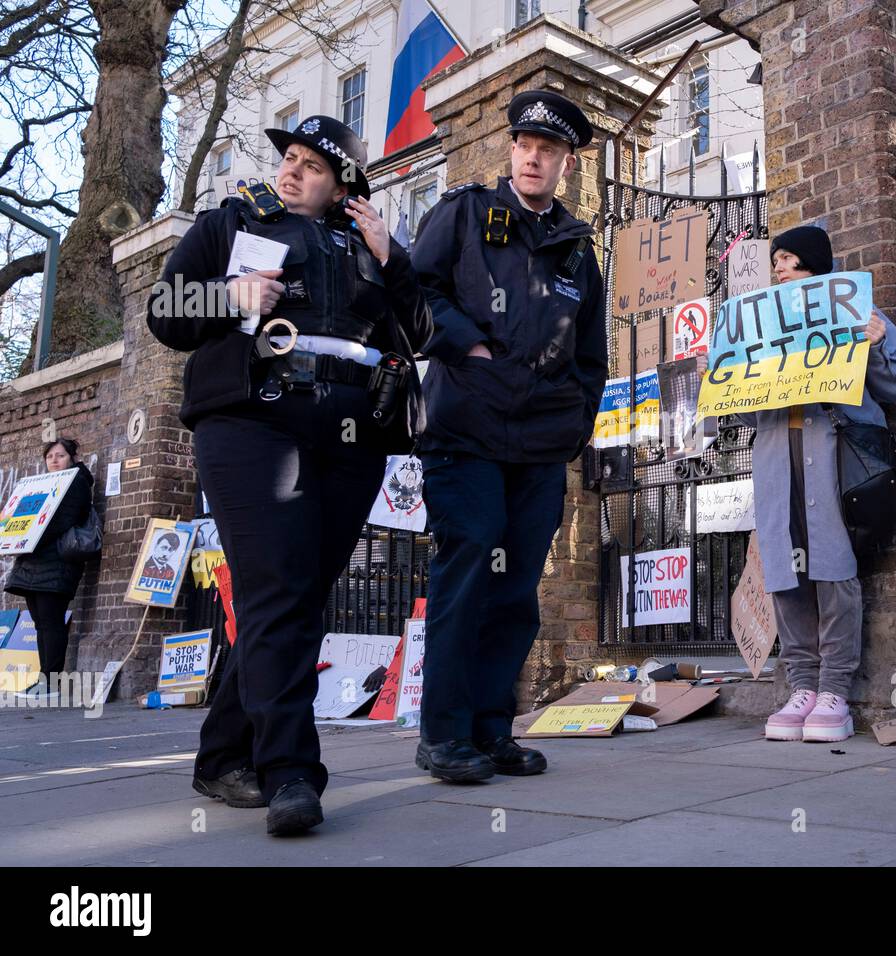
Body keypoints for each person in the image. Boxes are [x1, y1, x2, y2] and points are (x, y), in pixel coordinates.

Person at [148, 114, 432, 835]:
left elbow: (428, 334)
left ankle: (220, 757)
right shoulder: (231, 221)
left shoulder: (369, 245)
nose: (293, 170)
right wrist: (228, 299)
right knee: (276, 588)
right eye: (291, 158)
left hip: (353, 433)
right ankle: (292, 774)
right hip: (253, 421)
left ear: (344, 183)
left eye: (312, 163)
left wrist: (392, 258)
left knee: (300, 599)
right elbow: (163, 310)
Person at [410, 90, 607, 782]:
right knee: (466, 576)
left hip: (540, 446)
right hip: (465, 432)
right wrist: (468, 345)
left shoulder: (577, 252)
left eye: (547, 150)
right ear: (511, 150)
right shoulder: (463, 214)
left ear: (566, 163)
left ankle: (493, 730)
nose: (533, 156)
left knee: (516, 590)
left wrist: (576, 420)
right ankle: (443, 736)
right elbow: (415, 293)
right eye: (525, 144)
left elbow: (592, 357)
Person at [746, 226, 896, 743]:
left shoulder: (858, 314)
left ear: (817, 269)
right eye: (776, 260)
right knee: (783, 570)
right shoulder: (759, 325)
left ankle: (834, 692)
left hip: (836, 459)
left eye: (791, 260)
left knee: (833, 567)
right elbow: (740, 402)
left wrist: (879, 343)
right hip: (779, 459)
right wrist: (731, 361)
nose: (779, 268)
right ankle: (801, 685)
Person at [4, 437, 95, 688]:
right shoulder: (44, 484)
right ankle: (44, 677)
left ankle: (51, 680)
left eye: (60, 455)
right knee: (40, 622)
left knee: (51, 620)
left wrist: (27, 537)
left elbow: (61, 521)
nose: (54, 460)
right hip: (34, 560)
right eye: (50, 457)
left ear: (73, 458)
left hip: (56, 561)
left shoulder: (75, 483)